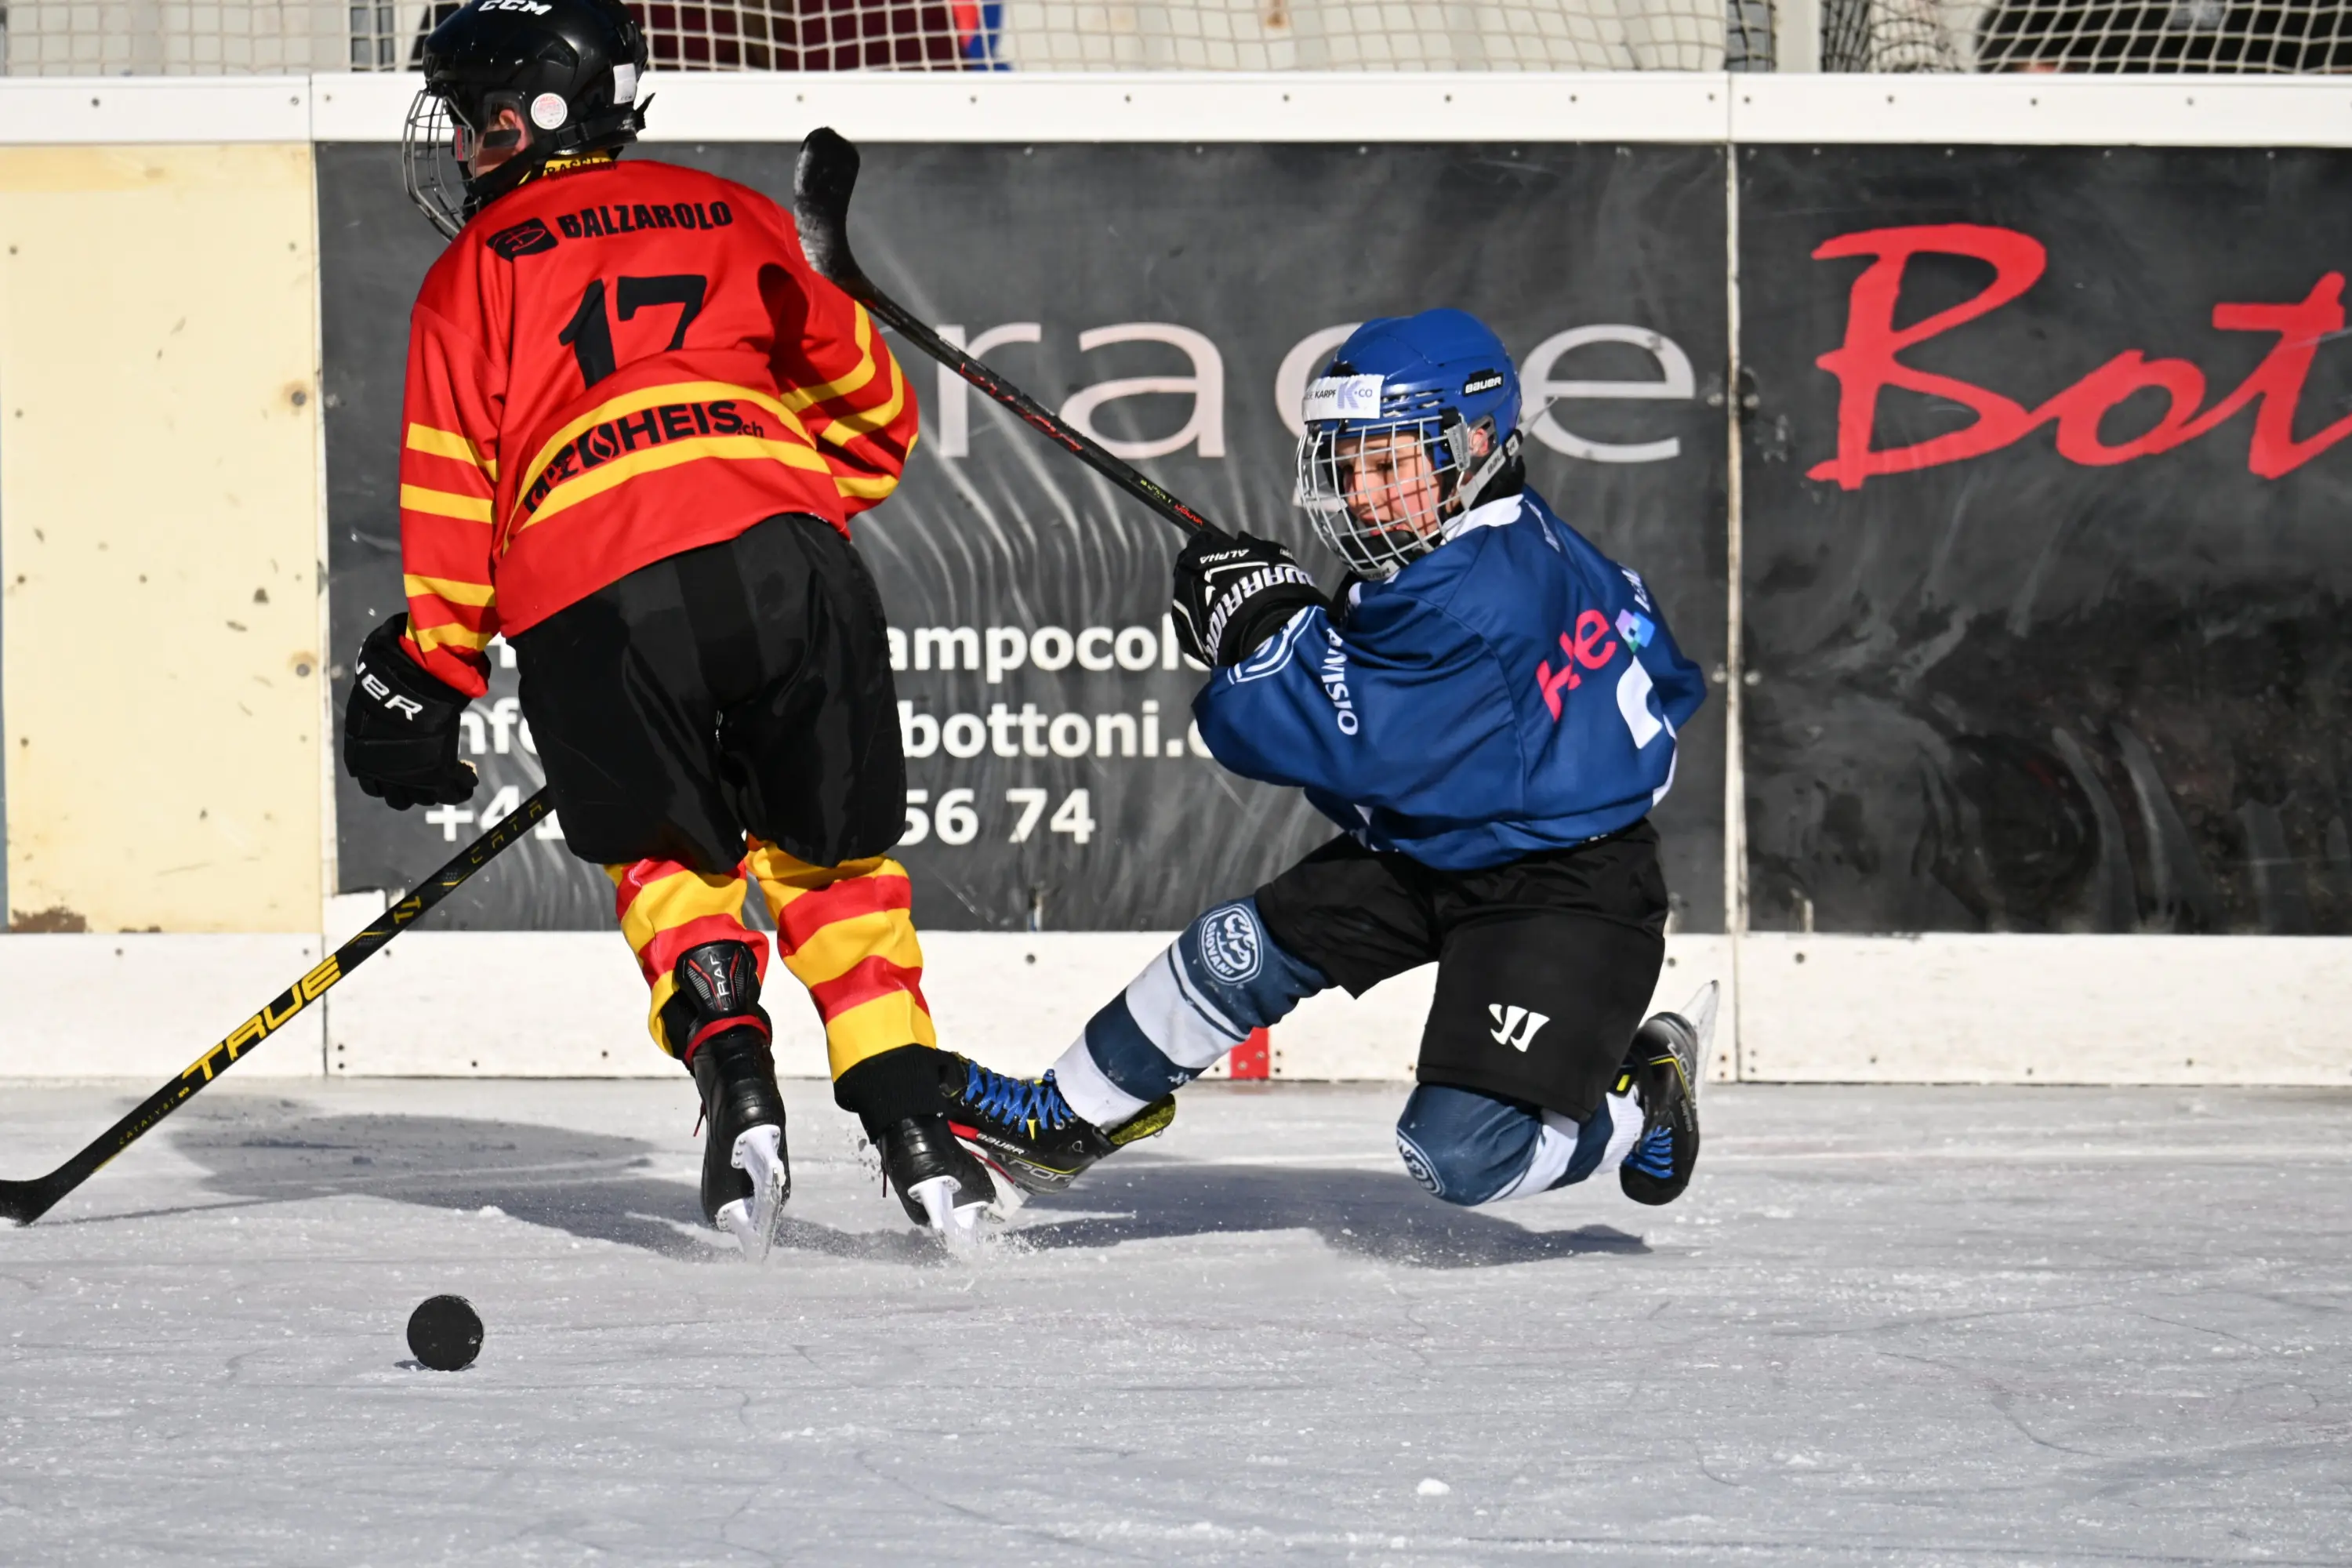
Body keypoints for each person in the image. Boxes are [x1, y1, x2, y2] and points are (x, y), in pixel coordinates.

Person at [339, 0, 997, 1250]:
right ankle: (918, 1137)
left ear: (526, 119)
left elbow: (452, 490)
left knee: (668, 861)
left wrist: (439, 663)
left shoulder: (472, 272)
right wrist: (762, 495)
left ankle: (738, 1086)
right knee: (833, 868)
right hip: (789, 557)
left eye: (474, 124)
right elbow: (875, 417)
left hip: (593, 591)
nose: (463, 150)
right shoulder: (734, 213)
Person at [942, 309, 1715, 1211]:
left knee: (1463, 1154)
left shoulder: (1475, 595)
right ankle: (1068, 1114)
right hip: (1442, 839)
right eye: (1348, 468)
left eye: (1388, 465)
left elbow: (1326, 738)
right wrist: (1292, 623)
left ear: (1474, 441)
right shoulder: (1488, 535)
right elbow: (1656, 672)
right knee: (1237, 952)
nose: (1363, 496)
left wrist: (1259, 634)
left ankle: (1642, 1097)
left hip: (1565, 883)